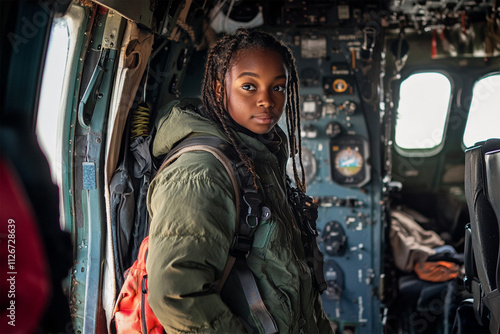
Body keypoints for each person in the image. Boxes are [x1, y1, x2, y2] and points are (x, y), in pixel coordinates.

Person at [146, 27, 334, 333]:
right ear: (220, 89)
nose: (266, 101)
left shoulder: (260, 157)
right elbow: (175, 294)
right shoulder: (202, 173)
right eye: (249, 86)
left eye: (278, 87)